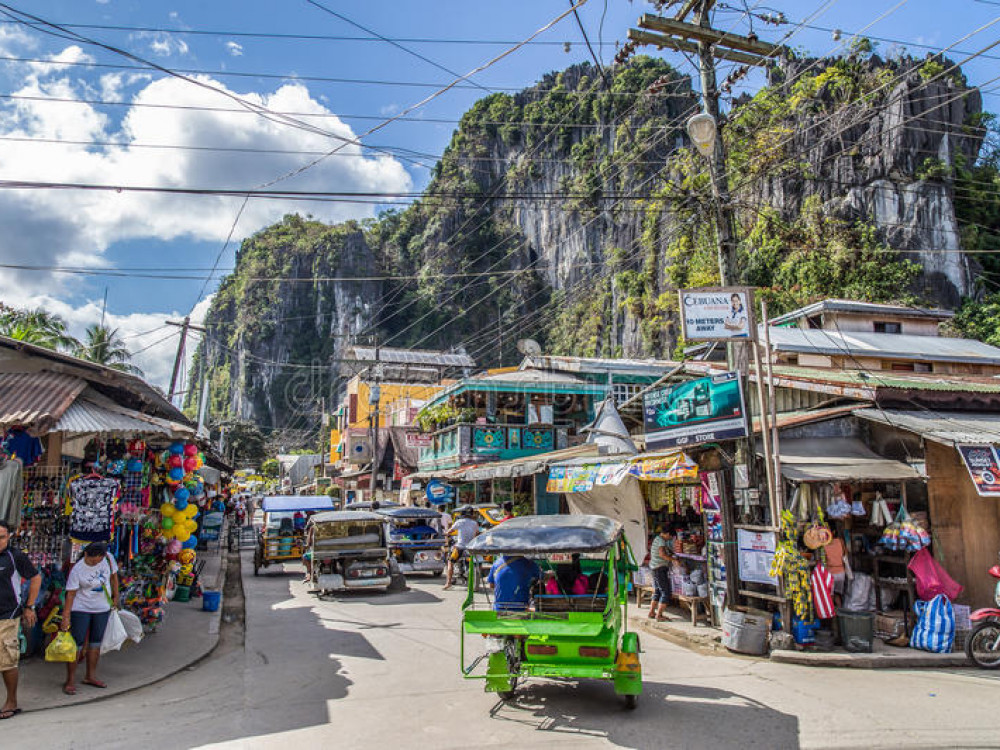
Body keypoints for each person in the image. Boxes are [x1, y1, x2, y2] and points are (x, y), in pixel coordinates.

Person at [60, 542, 120, 695]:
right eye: (93, 560)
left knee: (95, 642)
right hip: (81, 608)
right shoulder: (77, 569)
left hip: (102, 607)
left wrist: (116, 596)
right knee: (77, 644)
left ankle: (90, 676)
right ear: (86, 554)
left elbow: (114, 577)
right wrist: (66, 616)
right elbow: (71, 594)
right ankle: (70, 679)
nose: (96, 563)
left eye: (98, 560)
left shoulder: (108, 558)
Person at [0, 520, 41, 720]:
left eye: (1, 537)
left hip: (7, 616)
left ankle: (11, 701)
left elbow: (35, 578)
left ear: (9, 537)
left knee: (7, 661)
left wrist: (29, 606)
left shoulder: (15, 557)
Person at [442, 509, 479, 590]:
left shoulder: (459, 522)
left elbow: (450, 531)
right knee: (476, 562)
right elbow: (476, 534)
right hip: (471, 548)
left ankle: (448, 583)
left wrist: (446, 533)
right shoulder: (475, 523)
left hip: (460, 547)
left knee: (450, 562)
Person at [648, 525, 675, 621]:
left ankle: (651, 612)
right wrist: (673, 560)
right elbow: (662, 554)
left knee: (658, 591)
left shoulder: (657, 539)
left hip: (654, 568)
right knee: (665, 592)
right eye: (670, 537)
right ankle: (659, 615)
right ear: (667, 534)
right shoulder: (661, 541)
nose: (670, 539)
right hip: (659, 568)